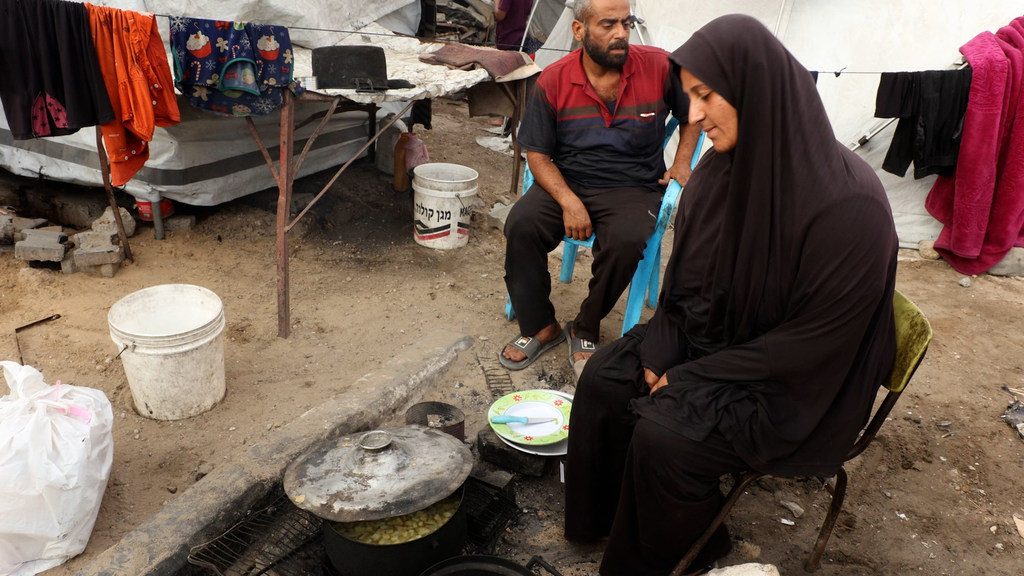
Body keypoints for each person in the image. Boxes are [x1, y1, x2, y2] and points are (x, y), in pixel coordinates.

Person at [563, 14, 899, 576]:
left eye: (706, 96)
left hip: (794, 383)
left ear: (757, 91)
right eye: (688, 96)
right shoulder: (724, 170)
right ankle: (606, 520)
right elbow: (685, 280)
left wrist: (694, 376)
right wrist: (663, 350)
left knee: (664, 436)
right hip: (716, 335)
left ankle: (687, 548)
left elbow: (816, 342)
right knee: (605, 377)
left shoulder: (849, 208)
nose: (692, 116)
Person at [499, 0, 702, 372]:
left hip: (634, 186)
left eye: (626, 23)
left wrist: (682, 161)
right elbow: (537, 155)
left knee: (626, 241)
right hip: (568, 180)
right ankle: (541, 325)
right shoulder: (554, 79)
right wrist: (568, 201)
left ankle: (585, 325)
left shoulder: (658, 66)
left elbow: (692, 115)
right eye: (608, 24)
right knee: (521, 225)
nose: (621, 34)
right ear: (579, 31)